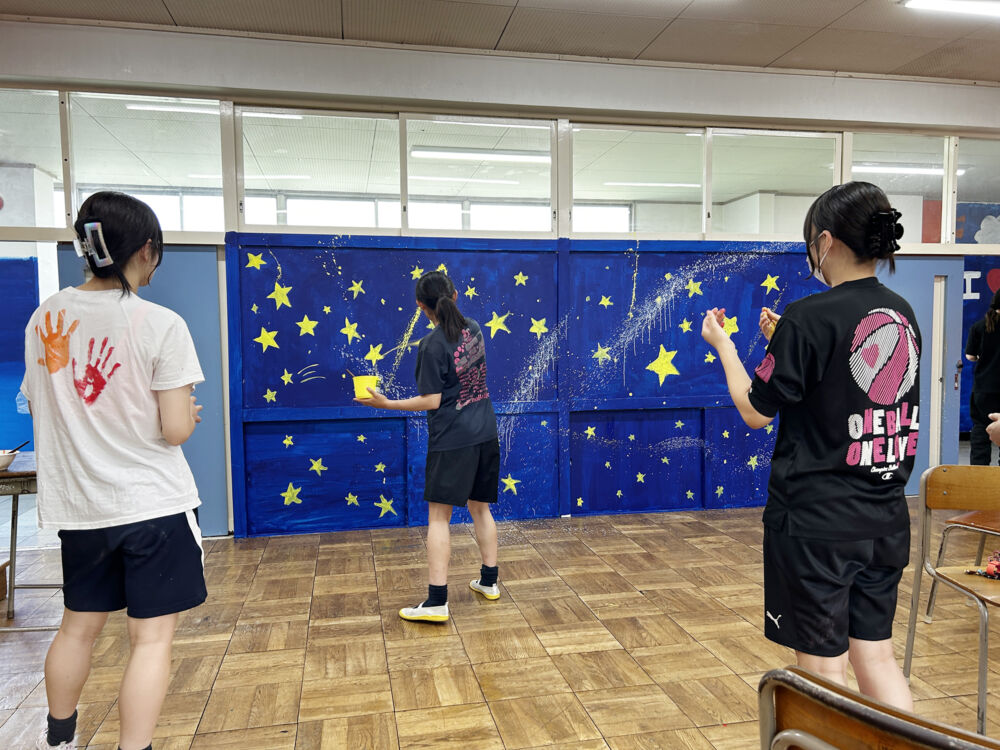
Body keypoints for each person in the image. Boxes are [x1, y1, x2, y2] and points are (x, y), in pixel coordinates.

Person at [701, 181, 919, 711]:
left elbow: (755, 411)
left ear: (824, 241)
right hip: (885, 520)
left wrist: (724, 346)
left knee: (823, 672)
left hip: (817, 526)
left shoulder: (809, 316)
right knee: (877, 659)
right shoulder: (901, 313)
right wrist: (786, 342)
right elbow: (845, 382)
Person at [22, 192, 207, 750]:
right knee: (150, 641)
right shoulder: (160, 323)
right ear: (146, 249)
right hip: (153, 506)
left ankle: (59, 735)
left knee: (77, 627)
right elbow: (174, 429)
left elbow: (41, 404)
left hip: (82, 510)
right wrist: (187, 414)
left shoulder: (44, 318)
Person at [356, 270, 500, 622]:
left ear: (421, 306)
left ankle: (436, 602)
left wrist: (387, 404)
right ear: (455, 295)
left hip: (453, 440)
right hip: (485, 432)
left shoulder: (431, 345)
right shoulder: (475, 329)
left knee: (439, 518)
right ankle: (489, 582)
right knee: (481, 508)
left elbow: (432, 400)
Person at [965, 289, 1000, 465]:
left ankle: (979, 474)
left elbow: (970, 356)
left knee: (980, 431)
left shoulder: (979, 326)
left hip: (984, 389)